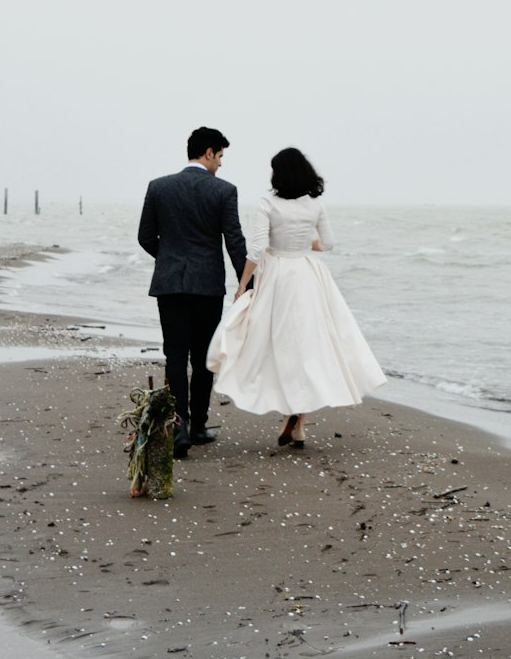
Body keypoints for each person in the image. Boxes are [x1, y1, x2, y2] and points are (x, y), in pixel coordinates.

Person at [207, 147, 386, 448]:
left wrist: (242, 285)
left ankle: (289, 410)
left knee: (274, 346)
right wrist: (303, 242)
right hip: (308, 276)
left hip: (277, 276)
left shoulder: (268, 203)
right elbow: (328, 243)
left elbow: (257, 249)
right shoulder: (315, 204)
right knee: (309, 348)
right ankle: (299, 421)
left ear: (281, 173)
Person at [138, 127, 247, 458]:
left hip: (170, 285)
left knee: (175, 354)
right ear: (209, 152)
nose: (221, 165)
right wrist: (248, 284)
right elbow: (235, 241)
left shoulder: (159, 187)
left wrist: (170, 259)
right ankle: (198, 426)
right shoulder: (224, 191)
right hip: (207, 286)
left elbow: (145, 237)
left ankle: (178, 425)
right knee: (203, 358)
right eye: (221, 157)